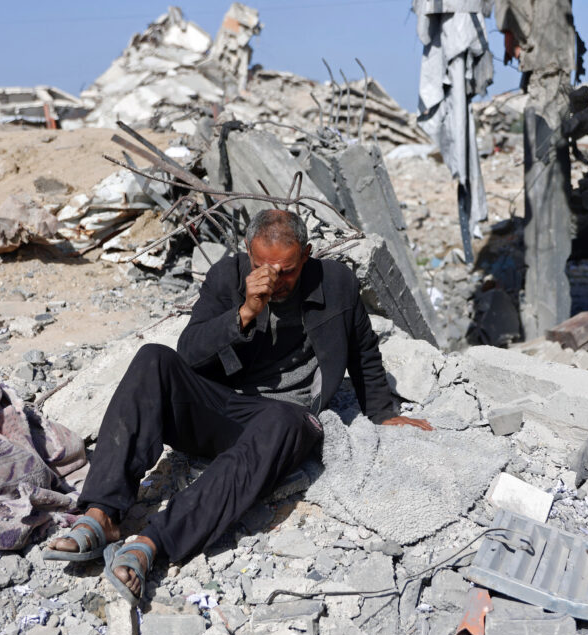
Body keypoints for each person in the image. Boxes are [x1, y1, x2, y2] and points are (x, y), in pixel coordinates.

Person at [46, 208, 432, 604]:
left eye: (287, 271)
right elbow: (190, 353)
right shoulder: (227, 277)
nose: (275, 279)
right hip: (223, 409)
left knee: (284, 418)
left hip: (284, 422)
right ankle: (101, 513)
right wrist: (245, 313)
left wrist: (384, 414)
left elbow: (364, 350)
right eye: (263, 266)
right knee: (152, 359)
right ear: (248, 252)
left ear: (307, 255)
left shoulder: (336, 283)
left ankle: (154, 541)